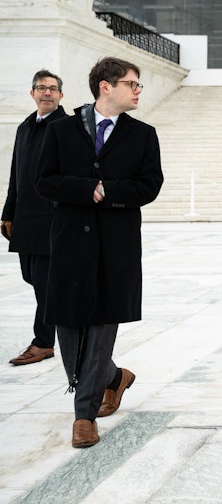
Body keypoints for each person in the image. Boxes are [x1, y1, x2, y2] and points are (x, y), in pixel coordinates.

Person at [35, 56, 163, 449]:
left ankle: (84, 416)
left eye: (138, 84)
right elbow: (44, 181)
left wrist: (109, 191)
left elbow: (150, 185)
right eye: (132, 84)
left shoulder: (143, 134)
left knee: (103, 328)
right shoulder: (61, 130)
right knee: (70, 329)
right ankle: (115, 378)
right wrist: (83, 188)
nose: (138, 90)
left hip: (117, 247)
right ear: (105, 87)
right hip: (71, 245)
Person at [3, 70, 68, 366]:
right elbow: (16, 173)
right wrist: (7, 213)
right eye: (41, 88)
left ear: (61, 96)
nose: (47, 93)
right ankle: (52, 334)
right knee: (31, 277)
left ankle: (43, 342)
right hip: (26, 218)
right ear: (32, 94)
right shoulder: (24, 128)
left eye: (53, 89)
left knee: (45, 283)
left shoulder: (67, 128)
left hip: (52, 220)